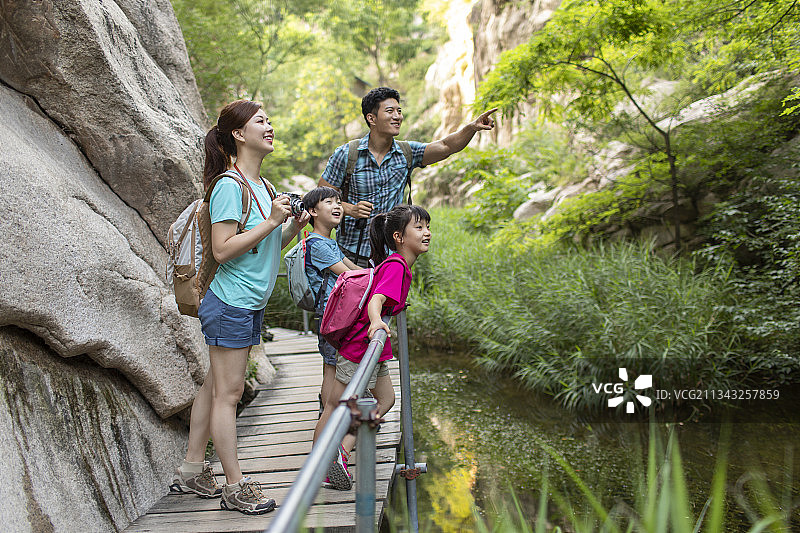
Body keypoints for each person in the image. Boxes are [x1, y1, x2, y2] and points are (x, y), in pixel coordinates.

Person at [169, 100, 309, 515]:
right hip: (229, 302)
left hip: (248, 303)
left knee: (214, 385)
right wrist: (271, 221)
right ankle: (235, 486)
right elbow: (223, 249)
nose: (270, 126)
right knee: (228, 395)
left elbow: (265, 247)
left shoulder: (264, 187)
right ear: (238, 134)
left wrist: (290, 226)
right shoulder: (229, 185)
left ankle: (191, 469)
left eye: (269, 120)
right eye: (260, 121)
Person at [317, 204, 432, 490]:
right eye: (419, 227)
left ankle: (340, 452)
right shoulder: (396, 266)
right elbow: (376, 300)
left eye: (427, 227)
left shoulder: (398, 264)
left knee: (386, 399)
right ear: (399, 237)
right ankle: (322, 463)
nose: (427, 232)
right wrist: (377, 321)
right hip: (360, 347)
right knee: (336, 407)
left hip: (373, 349)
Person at [319, 86, 495, 266]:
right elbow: (320, 197)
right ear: (371, 118)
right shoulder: (347, 154)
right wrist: (350, 209)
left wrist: (472, 128)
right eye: (390, 111)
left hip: (391, 258)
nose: (397, 116)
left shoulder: (407, 153)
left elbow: (446, 146)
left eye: (399, 111)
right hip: (349, 256)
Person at [300, 186, 358, 421]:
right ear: (313, 211)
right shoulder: (317, 244)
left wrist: (380, 275)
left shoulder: (328, 242)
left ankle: (330, 417)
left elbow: (357, 270)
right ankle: (328, 419)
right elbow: (349, 274)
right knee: (332, 369)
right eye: (329, 202)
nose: (337, 207)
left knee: (331, 366)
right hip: (331, 317)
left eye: (339, 202)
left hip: (336, 316)